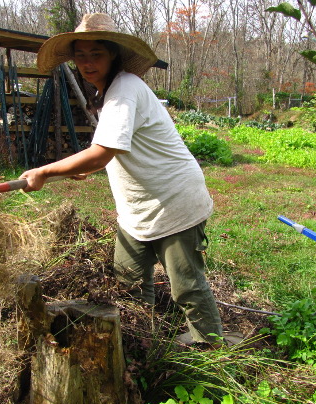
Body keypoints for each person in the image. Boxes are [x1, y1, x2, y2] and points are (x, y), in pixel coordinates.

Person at [20, 13, 224, 346]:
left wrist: (44, 171)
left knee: (186, 284)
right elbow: (116, 147)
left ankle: (211, 347)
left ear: (113, 53)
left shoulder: (125, 89)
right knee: (127, 281)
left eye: (96, 54)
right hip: (137, 210)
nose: (87, 62)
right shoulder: (109, 92)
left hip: (173, 200)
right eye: (80, 55)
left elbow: (101, 153)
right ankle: (139, 341)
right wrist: (80, 165)